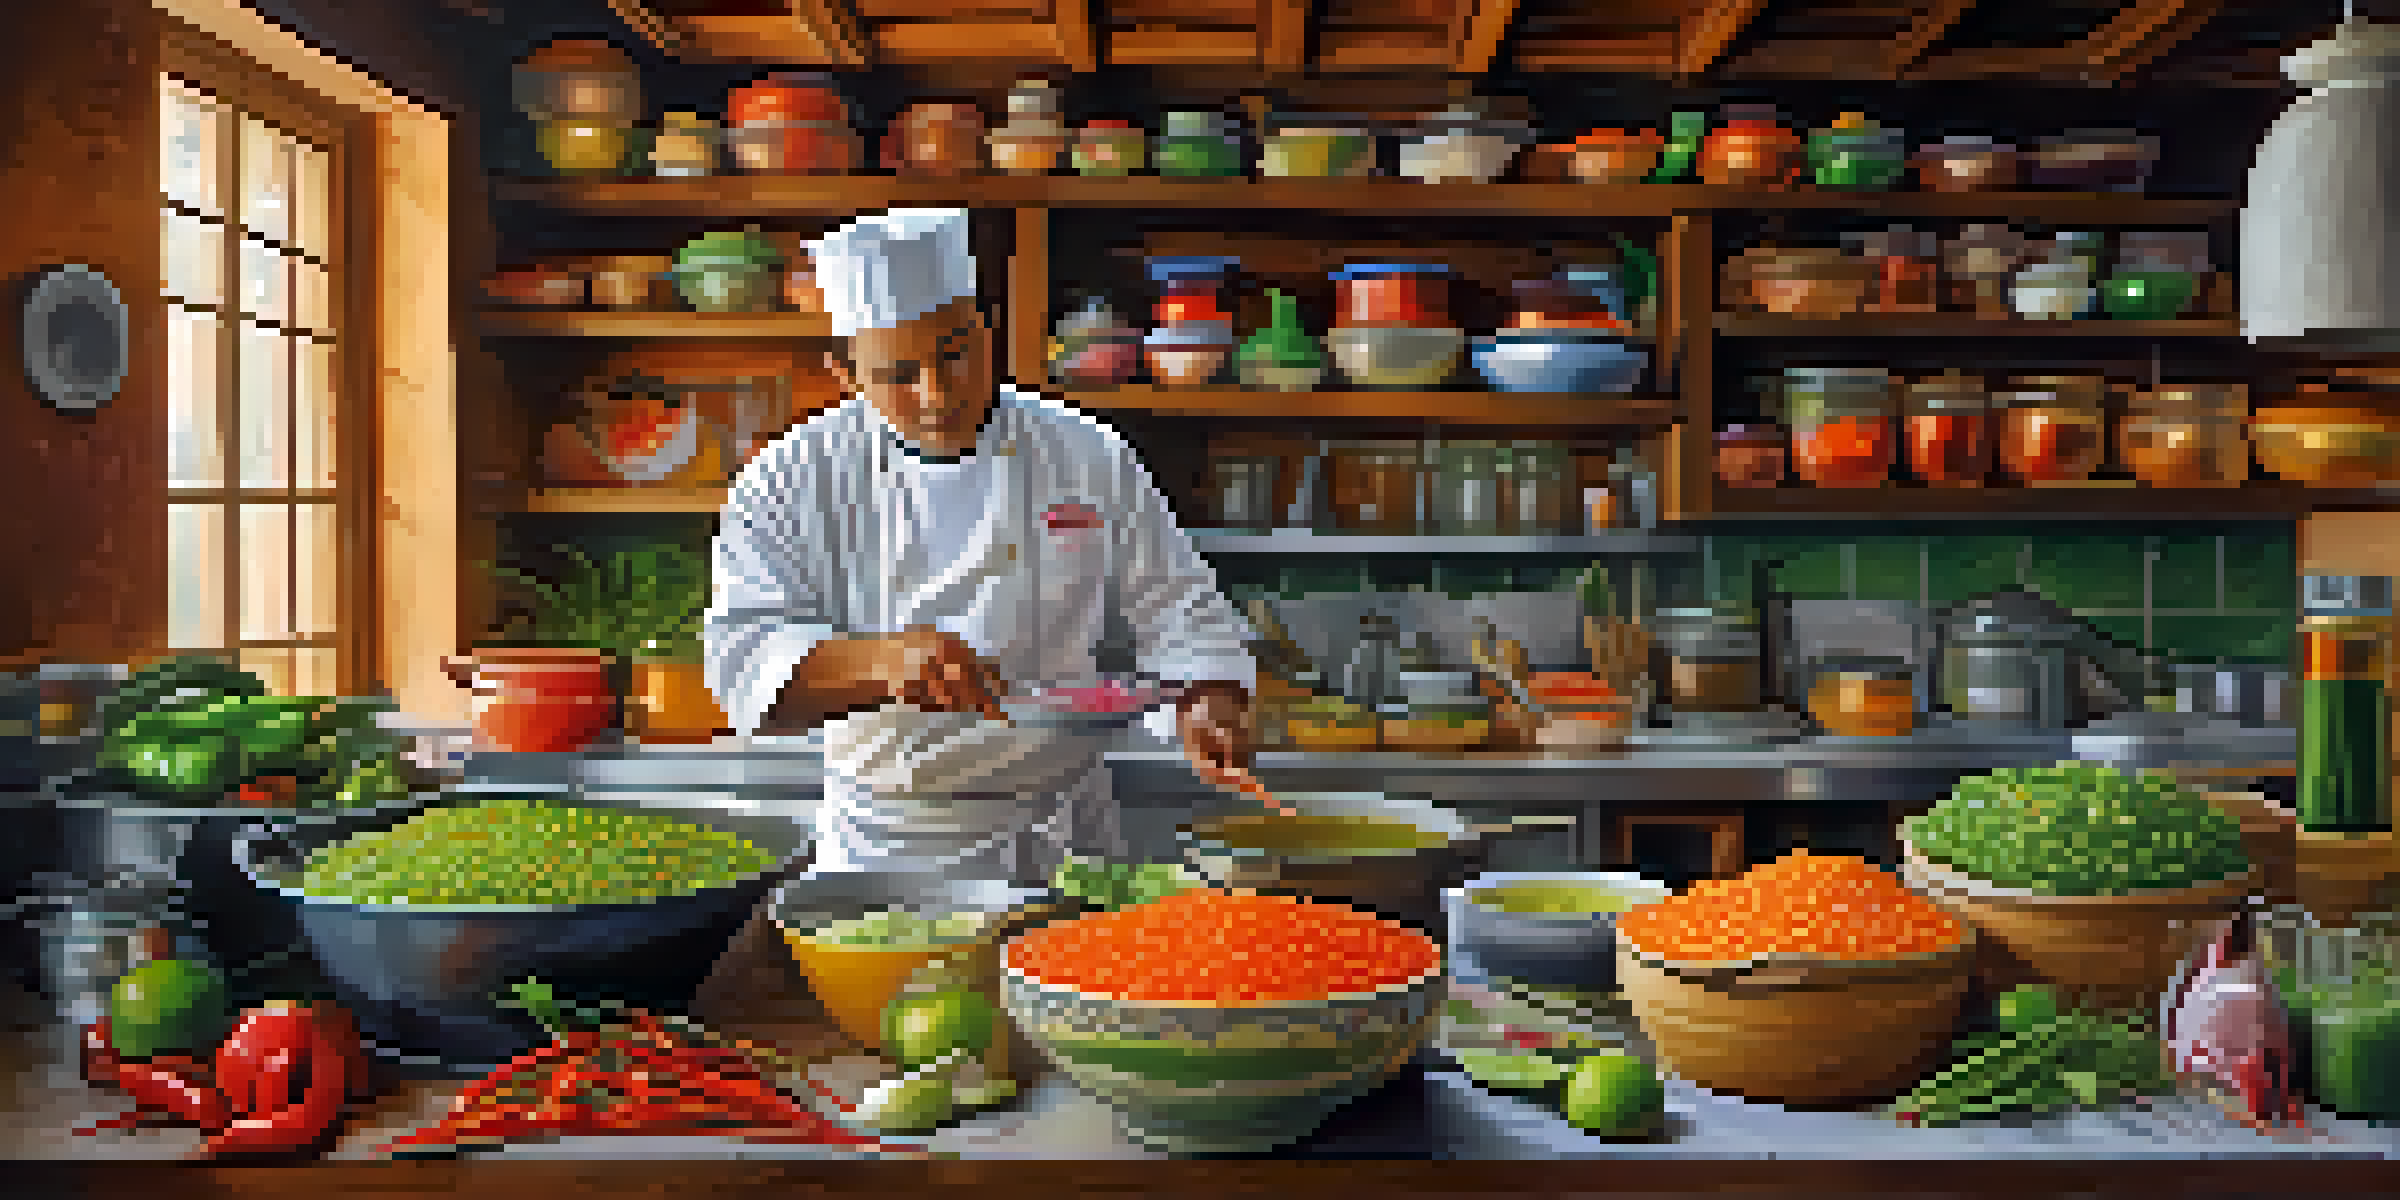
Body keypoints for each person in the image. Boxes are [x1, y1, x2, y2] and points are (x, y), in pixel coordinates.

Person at [704, 208, 1261, 881]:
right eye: (898, 375)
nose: (937, 395)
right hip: (890, 842)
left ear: (986, 334)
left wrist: (1212, 700)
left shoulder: (1084, 452)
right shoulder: (793, 477)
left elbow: (1177, 604)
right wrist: (883, 662)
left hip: (1065, 830)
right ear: (845, 374)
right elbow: (742, 662)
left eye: (955, 354)